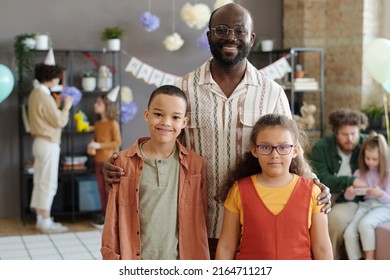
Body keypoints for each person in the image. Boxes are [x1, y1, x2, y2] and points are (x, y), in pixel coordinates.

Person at [103, 3, 331, 259]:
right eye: (221, 30)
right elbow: (164, 140)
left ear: (251, 38)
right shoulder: (184, 88)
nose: (230, 37)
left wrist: (316, 185)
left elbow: (289, 148)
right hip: (198, 224)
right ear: (209, 36)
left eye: (239, 30)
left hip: (256, 226)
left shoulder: (272, 92)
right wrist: (123, 164)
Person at [101, 85, 209, 260]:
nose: (166, 122)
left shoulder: (196, 164)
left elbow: (200, 218)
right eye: (158, 114)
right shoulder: (123, 162)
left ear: (184, 122)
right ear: (147, 115)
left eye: (175, 117)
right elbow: (112, 219)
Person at [215, 114, 333, 260]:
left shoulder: (313, 192)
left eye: (283, 147)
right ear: (254, 151)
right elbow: (226, 246)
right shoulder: (239, 190)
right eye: (265, 147)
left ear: (295, 151)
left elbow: (322, 249)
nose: (274, 154)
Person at [309, 108, 369, 259]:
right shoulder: (321, 147)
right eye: (344, 134)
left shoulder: (367, 143)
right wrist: (350, 181)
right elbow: (320, 178)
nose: (350, 139)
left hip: (353, 198)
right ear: (336, 133)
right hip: (324, 194)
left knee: (333, 221)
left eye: (353, 134)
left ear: (359, 131)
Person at [28, 62, 73, 233]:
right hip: (48, 143)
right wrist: (67, 106)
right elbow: (60, 121)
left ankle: (41, 217)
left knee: (40, 181)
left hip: (40, 142)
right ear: (51, 78)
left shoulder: (35, 93)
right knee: (48, 182)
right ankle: (46, 220)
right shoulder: (44, 96)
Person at [343, 132, 390, 260]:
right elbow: (349, 198)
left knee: (365, 224)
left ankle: (370, 260)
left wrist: (380, 193)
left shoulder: (387, 174)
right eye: (367, 158)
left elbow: (388, 199)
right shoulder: (359, 173)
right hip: (365, 206)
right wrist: (350, 192)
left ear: (382, 157)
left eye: (374, 159)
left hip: (383, 206)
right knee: (349, 234)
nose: (370, 162)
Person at [87, 93, 122, 229]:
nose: (95, 105)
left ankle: (112, 218)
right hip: (98, 161)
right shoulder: (98, 124)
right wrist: (92, 146)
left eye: (99, 103)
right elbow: (97, 141)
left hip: (110, 162)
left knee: (109, 190)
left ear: (107, 107)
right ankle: (105, 216)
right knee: (101, 190)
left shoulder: (113, 124)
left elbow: (117, 142)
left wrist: (99, 145)